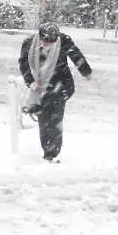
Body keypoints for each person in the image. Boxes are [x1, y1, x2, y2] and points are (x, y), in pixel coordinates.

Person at [18, 22, 92, 163]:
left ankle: (53, 151)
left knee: (56, 119)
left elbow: (76, 55)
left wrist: (86, 71)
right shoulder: (29, 44)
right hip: (40, 87)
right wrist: (32, 82)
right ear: (39, 37)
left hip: (61, 84)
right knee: (44, 119)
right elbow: (23, 64)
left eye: (52, 42)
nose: (49, 45)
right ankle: (48, 150)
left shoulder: (63, 40)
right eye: (46, 42)